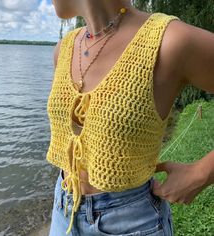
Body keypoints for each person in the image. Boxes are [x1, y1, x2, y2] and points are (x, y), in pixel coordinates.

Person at [47, 0, 214, 235]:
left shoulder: (169, 40)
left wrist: (202, 173)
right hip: (63, 209)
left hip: (132, 222)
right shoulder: (64, 49)